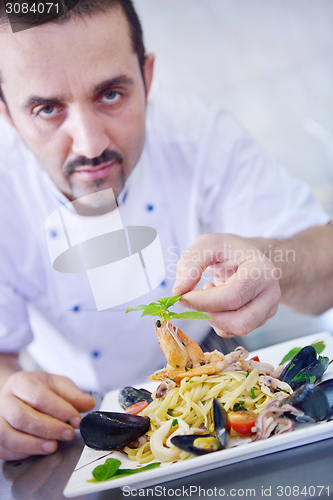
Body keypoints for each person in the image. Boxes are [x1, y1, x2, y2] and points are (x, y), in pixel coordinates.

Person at [0, 0, 332, 461]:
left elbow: (325, 259)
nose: (91, 143)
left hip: (221, 371)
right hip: (81, 416)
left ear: (147, 77)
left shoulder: (198, 136)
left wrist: (269, 259)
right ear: (7, 115)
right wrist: (7, 396)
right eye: (47, 108)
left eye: (111, 94)